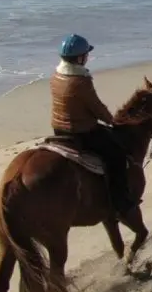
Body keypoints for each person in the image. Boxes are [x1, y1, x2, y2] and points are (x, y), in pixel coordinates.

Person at [50, 34, 138, 226]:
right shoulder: (80, 81)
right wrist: (113, 121)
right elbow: (97, 108)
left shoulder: (56, 75)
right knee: (117, 156)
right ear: (80, 58)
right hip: (81, 132)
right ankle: (120, 203)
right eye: (85, 55)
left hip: (58, 129)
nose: (87, 57)